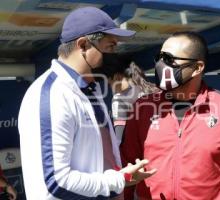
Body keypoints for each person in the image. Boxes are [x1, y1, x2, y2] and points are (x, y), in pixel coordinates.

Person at [18, 7, 156, 200]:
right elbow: (55, 183)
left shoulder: (91, 88)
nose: (114, 55)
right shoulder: (53, 94)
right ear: (83, 45)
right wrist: (120, 180)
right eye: (110, 47)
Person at [120, 32, 220, 200]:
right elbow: (126, 166)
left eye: (169, 59)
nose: (161, 64)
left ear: (197, 67)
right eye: (159, 57)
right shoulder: (143, 108)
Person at [95, 54, 159, 145]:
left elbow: (119, 138)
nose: (110, 88)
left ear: (117, 77)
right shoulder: (155, 90)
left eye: (110, 84)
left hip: (140, 152)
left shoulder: (119, 99)